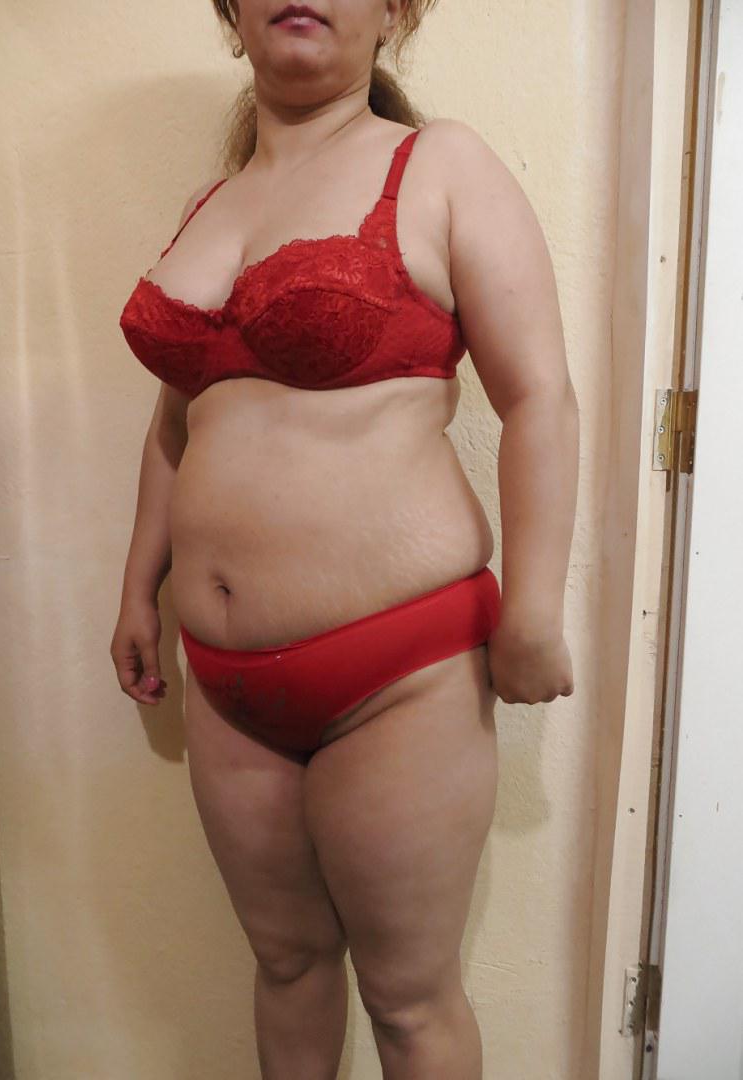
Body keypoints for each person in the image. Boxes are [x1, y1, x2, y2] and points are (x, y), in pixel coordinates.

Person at [110, 1, 577, 1076]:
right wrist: (140, 586)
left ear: (395, 11)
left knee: (409, 1003)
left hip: (399, 673)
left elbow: (540, 399)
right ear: (230, 13)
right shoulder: (207, 204)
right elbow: (178, 423)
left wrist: (535, 609)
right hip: (224, 683)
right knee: (285, 966)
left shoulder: (439, 165)